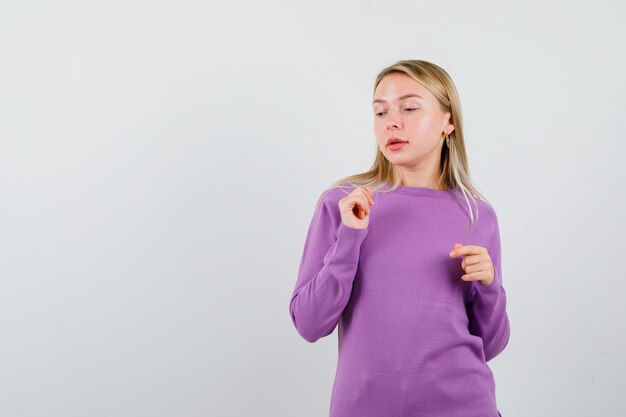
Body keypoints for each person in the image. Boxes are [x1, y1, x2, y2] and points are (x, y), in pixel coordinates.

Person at [288, 59, 510, 417]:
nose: (392, 121)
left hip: (464, 406)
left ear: (448, 122)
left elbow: (492, 345)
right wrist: (349, 238)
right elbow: (310, 324)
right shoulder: (343, 204)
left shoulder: (477, 215)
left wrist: (490, 285)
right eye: (380, 112)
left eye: (409, 107)